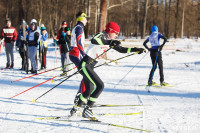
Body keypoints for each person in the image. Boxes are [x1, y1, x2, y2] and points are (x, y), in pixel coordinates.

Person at [69, 12, 145, 120]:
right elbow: (95, 39)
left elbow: (121, 50)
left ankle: (75, 109)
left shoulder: (109, 40)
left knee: (89, 88)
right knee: (100, 86)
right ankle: (88, 109)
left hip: (88, 66)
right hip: (85, 65)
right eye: (116, 33)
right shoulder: (101, 35)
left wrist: (135, 49)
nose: (117, 35)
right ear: (110, 31)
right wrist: (110, 43)